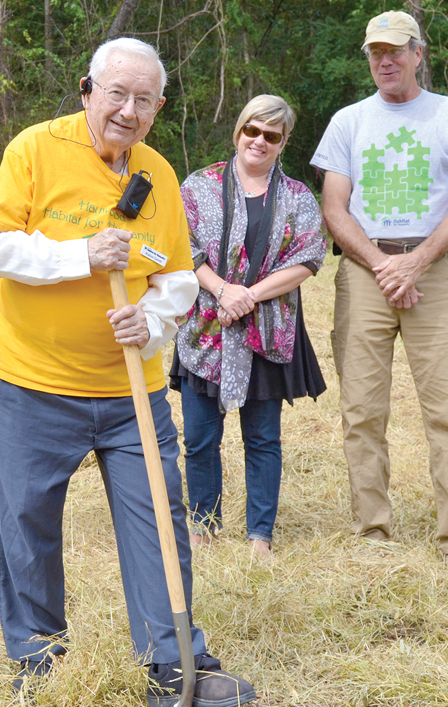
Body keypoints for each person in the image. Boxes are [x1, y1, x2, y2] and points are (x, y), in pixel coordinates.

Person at [0, 38, 257, 706]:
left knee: (159, 518)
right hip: (31, 384)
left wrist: (153, 320)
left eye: (144, 100)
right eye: (116, 94)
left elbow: (178, 278)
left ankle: (175, 663)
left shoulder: (157, 174)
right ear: (87, 91)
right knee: (26, 522)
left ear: (159, 106)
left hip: (133, 393)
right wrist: (79, 256)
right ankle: (40, 664)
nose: (127, 110)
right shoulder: (36, 150)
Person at [311, 11, 448, 573]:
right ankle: (372, 531)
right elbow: (334, 208)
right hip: (366, 273)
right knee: (362, 409)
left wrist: (415, 262)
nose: (384, 61)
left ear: (419, 53)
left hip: (432, 269)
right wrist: (383, 265)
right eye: (375, 52)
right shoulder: (348, 121)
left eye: (395, 50)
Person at [171, 95, 327, 562]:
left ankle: (260, 535)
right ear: (238, 132)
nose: (259, 141)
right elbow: (184, 246)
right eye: (252, 131)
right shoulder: (199, 185)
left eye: (271, 136)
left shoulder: (297, 197)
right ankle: (203, 524)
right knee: (199, 438)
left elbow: (308, 258)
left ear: (282, 144)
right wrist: (222, 291)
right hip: (206, 330)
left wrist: (248, 296)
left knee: (262, 438)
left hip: (266, 332)